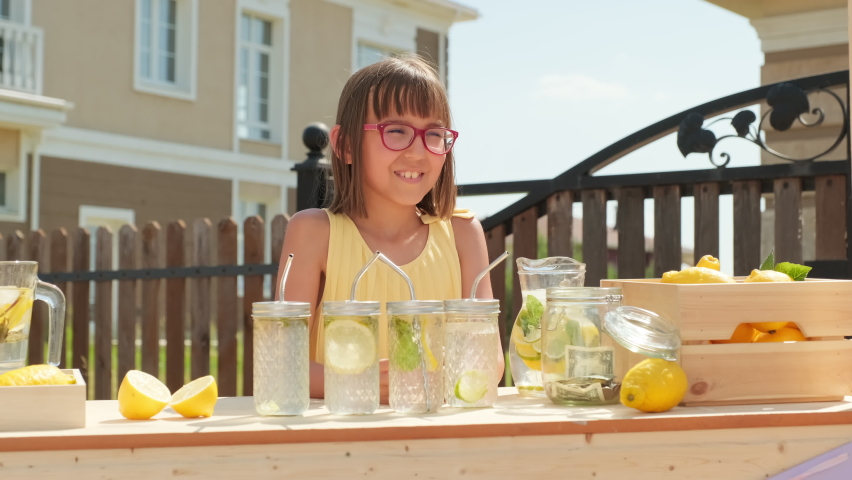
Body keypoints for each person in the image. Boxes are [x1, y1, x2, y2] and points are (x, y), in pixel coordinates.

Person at [277, 54, 504, 400]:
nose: (417, 151)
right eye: (396, 131)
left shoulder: (463, 234)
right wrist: (362, 382)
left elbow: (487, 363)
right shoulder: (313, 233)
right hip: (337, 442)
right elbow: (282, 366)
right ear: (345, 145)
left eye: (434, 134)